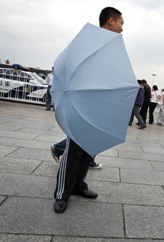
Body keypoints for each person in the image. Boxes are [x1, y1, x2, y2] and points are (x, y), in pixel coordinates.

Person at [53, 6, 125, 214]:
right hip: (82, 102)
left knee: (88, 148)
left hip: (99, 103)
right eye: (121, 22)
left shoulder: (113, 45)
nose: (122, 28)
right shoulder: (90, 40)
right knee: (73, 148)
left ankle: (78, 185)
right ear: (110, 20)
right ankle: (61, 193)